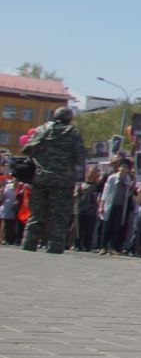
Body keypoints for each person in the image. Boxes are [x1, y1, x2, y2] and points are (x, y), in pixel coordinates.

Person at [20, 106, 83, 254]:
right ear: (70, 119)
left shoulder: (43, 129)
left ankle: (29, 243)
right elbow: (81, 157)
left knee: (36, 215)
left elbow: (26, 149)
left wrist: (41, 156)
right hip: (63, 181)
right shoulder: (73, 133)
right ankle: (55, 246)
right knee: (59, 216)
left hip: (41, 178)